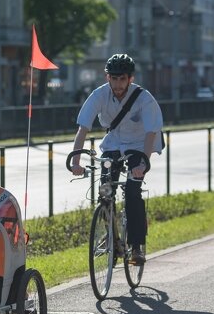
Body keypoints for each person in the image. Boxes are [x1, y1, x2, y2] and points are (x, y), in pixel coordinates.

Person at [69, 53, 164, 264]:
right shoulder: (99, 95)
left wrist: (143, 163)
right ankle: (112, 238)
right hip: (113, 144)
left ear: (130, 78)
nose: (118, 83)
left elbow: (151, 133)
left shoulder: (144, 98)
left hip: (140, 145)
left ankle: (136, 246)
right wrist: (76, 160)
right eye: (114, 78)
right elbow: (83, 127)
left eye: (122, 79)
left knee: (132, 191)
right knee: (105, 190)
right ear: (107, 78)